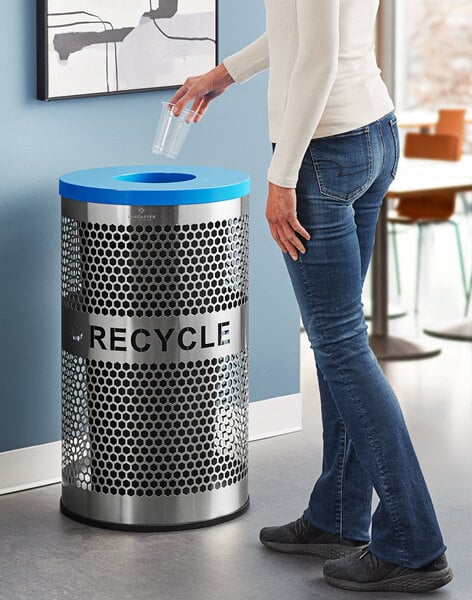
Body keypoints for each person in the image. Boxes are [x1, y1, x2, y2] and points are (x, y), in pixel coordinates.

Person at [169, 0, 453, 593]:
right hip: (373, 135)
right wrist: (225, 74)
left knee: (342, 349)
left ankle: (413, 543)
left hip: (324, 156)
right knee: (341, 348)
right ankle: (339, 516)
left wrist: (283, 177)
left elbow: (318, 60)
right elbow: (300, 33)